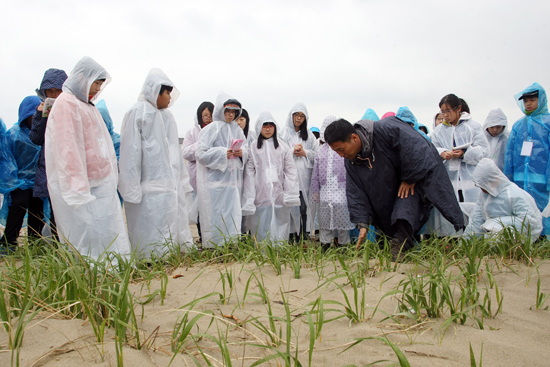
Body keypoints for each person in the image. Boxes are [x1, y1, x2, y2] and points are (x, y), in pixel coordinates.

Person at [324, 118, 464, 261]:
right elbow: (355, 192)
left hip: (412, 183)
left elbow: (416, 147)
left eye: (341, 149)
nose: (341, 155)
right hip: (387, 193)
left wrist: (410, 177)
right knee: (386, 225)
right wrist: (362, 223)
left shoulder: (386, 129)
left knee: (405, 204)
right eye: (337, 152)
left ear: (354, 138)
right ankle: (392, 244)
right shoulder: (351, 161)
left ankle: (401, 245)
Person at [45, 56, 130, 259]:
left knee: (105, 231)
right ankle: (91, 274)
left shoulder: (87, 105)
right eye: (95, 84)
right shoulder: (67, 103)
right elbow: (68, 148)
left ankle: (110, 268)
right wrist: (76, 189)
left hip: (99, 183)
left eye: (100, 85)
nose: (97, 90)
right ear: (82, 78)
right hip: (83, 187)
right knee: (87, 234)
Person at [118, 69, 193, 257]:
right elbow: (130, 154)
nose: (169, 98)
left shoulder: (167, 117)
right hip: (148, 190)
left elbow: (175, 155)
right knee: (149, 233)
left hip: (170, 188)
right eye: (167, 93)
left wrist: (182, 183)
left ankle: (170, 257)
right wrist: (131, 189)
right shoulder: (137, 113)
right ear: (156, 91)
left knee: (169, 230)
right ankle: (149, 260)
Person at [430, 94, 489, 235]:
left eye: (448, 111)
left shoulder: (473, 127)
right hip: (449, 176)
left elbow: (484, 150)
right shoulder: (438, 131)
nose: (445, 115)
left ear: (459, 109)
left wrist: (464, 152)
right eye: (442, 112)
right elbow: (432, 148)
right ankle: (452, 239)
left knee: (473, 209)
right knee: (450, 207)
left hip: (470, 177)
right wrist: (442, 152)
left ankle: (473, 238)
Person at [196, 93, 248, 247]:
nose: (231, 115)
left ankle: (232, 245)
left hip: (232, 184)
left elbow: (245, 148)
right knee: (216, 217)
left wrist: (241, 153)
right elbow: (200, 154)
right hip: (215, 184)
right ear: (220, 110)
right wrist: (222, 153)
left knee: (232, 216)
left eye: (234, 112)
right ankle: (215, 247)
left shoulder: (237, 130)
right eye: (228, 111)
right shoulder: (211, 129)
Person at [242, 111, 299, 243]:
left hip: (279, 196)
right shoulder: (253, 147)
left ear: (275, 127)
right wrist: (250, 197)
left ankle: (280, 250)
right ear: (259, 127)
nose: (268, 129)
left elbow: (290, 171)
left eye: (270, 125)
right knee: (261, 225)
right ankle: (262, 252)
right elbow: (249, 174)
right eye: (264, 125)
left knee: (281, 225)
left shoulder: (282, 147)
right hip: (260, 196)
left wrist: (290, 193)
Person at [504, 83, 550, 236]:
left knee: (544, 212)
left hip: (542, 181)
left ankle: (544, 242)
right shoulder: (518, 125)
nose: (528, 104)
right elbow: (509, 154)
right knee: (522, 212)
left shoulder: (548, 124)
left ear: (541, 100)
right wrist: (508, 180)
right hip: (520, 180)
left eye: (532, 100)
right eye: (525, 101)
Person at [28, 68, 68, 240]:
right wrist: (40, 115)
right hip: (47, 164)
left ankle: (60, 245)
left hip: (66, 164)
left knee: (59, 209)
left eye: (57, 91)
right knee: (38, 204)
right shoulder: (41, 109)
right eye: (49, 91)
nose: (53, 94)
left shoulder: (72, 109)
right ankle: (34, 242)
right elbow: (36, 138)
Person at [0, 96, 43, 250]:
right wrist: (13, 182)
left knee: (37, 212)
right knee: (19, 206)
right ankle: (8, 243)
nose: (35, 119)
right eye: (32, 115)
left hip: (37, 182)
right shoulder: (14, 134)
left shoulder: (42, 134)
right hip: (20, 182)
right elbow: (7, 159)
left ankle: (36, 244)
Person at [465, 158, 542, 242]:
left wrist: (495, 224)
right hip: (491, 242)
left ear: (493, 180)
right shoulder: (485, 195)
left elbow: (531, 221)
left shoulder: (514, 194)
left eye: (483, 184)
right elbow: (476, 220)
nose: (481, 189)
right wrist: (466, 244)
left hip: (517, 241)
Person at [310, 115, 355, 249]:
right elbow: (316, 174)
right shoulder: (321, 151)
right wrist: (315, 191)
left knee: (342, 222)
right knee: (325, 222)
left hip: (341, 191)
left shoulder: (339, 148)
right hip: (326, 192)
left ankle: (342, 245)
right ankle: (328, 245)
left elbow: (349, 171)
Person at [280, 103, 318, 242]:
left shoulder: (309, 136)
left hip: (304, 178)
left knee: (303, 208)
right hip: (288, 178)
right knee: (289, 208)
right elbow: (278, 153)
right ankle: (291, 236)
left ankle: (303, 235)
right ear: (291, 115)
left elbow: (316, 154)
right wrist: (291, 151)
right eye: (296, 115)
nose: (298, 118)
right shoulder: (282, 133)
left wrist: (305, 153)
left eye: (302, 116)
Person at [181, 101, 214, 242]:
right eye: (205, 115)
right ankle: (202, 237)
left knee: (212, 208)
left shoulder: (217, 130)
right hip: (196, 177)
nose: (208, 118)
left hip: (212, 176)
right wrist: (200, 146)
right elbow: (186, 152)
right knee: (200, 209)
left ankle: (213, 236)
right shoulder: (192, 132)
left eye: (210, 115)